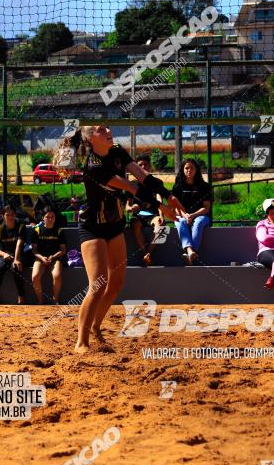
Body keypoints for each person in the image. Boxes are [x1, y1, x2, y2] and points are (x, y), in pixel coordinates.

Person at [53, 126, 184, 353]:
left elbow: (144, 178)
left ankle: (96, 326)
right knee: (98, 282)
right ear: (90, 140)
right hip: (92, 227)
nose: (106, 128)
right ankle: (81, 342)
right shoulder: (94, 167)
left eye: (105, 126)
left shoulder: (116, 150)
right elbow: (132, 188)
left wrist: (169, 195)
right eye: (98, 129)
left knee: (116, 284)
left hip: (115, 225)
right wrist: (161, 206)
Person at [126, 154, 167, 266]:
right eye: (140, 165)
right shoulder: (131, 184)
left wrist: (161, 217)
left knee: (162, 227)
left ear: (150, 167)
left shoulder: (157, 182)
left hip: (152, 214)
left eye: (146, 165)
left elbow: (159, 199)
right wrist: (131, 208)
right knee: (135, 224)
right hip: (138, 215)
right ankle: (146, 254)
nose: (143, 167)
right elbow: (127, 205)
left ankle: (148, 253)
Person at [170, 158, 212, 265]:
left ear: (196, 170)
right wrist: (185, 215)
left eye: (192, 168)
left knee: (198, 223)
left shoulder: (205, 187)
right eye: (186, 168)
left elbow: (206, 208)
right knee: (180, 221)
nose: (189, 170)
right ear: (183, 170)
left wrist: (192, 215)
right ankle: (190, 251)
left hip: (201, 216)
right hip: (182, 215)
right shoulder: (177, 187)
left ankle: (191, 254)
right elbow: (175, 208)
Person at [31, 208, 67, 304]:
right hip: (40, 258)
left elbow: (63, 250)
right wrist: (42, 258)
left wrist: (53, 257)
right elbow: (34, 250)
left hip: (55, 258)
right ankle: (40, 301)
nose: (50, 219)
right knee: (35, 277)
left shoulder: (59, 231)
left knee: (57, 275)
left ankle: (55, 300)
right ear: (43, 218)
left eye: (52, 217)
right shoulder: (37, 230)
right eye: (47, 217)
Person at [0, 205, 26, 305]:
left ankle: (21, 297)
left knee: (16, 268)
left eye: (12, 214)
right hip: (5, 255)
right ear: (3, 216)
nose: (10, 217)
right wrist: (4, 255)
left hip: (19, 254)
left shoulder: (21, 227)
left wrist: (16, 259)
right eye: (7, 215)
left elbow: (19, 245)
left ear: (15, 215)